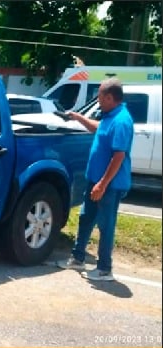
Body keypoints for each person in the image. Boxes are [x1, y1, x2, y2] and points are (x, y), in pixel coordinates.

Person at [57, 77, 134, 281]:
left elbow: (119, 156)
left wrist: (102, 184)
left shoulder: (122, 121)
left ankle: (104, 269)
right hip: (96, 182)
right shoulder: (110, 116)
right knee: (86, 218)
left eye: (99, 95)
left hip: (109, 186)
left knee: (105, 225)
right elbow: (97, 128)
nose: (97, 99)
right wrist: (77, 117)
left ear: (109, 97)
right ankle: (78, 258)